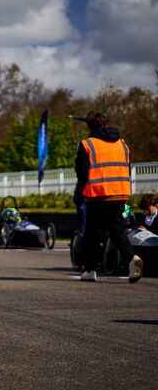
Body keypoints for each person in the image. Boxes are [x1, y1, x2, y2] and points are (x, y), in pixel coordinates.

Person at [74, 111, 142, 283]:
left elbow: (82, 172)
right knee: (117, 229)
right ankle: (132, 259)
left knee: (92, 233)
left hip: (97, 194)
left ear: (90, 126)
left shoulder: (87, 144)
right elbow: (127, 167)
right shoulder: (122, 144)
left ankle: (90, 270)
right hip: (119, 192)